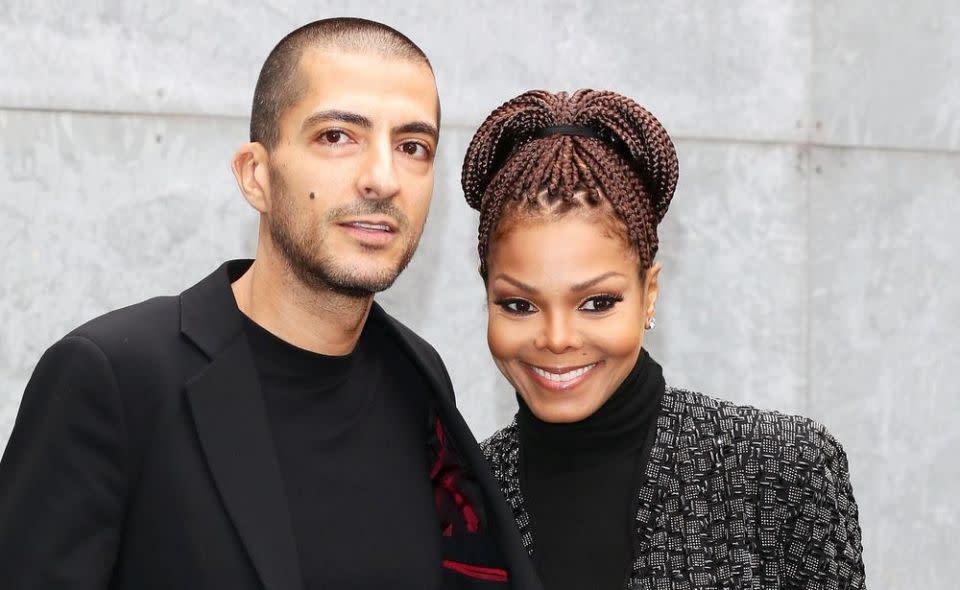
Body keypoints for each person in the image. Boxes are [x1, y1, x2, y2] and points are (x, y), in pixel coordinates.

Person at [0, 18, 538, 590]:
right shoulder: (113, 378)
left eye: (412, 147)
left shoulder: (418, 377)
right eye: (336, 136)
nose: (382, 178)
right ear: (255, 175)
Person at [462, 89, 866, 590]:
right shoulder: (460, 500)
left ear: (649, 293)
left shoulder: (783, 470)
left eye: (597, 302)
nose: (557, 338)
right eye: (519, 305)